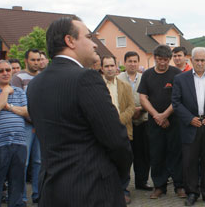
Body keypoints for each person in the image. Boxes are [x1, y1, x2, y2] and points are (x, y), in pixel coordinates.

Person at [26, 17, 132, 206]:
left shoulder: (35, 84)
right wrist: (120, 173)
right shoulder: (86, 78)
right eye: (89, 37)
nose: (94, 45)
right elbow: (116, 139)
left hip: (51, 190)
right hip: (91, 189)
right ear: (70, 41)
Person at [172, 47, 205, 206]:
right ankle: (192, 193)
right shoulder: (180, 79)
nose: (200, 63)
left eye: (203, 60)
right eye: (197, 60)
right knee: (189, 162)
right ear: (191, 60)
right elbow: (176, 102)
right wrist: (189, 118)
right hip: (190, 126)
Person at [137, 45, 185, 199]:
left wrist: (165, 115)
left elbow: (178, 98)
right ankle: (159, 186)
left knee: (176, 153)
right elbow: (143, 98)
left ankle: (180, 186)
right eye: (159, 59)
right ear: (155, 58)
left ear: (169, 59)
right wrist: (157, 115)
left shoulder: (177, 74)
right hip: (154, 122)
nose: (162, 63)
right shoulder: (147, 75)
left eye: (165, 60)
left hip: (174, 121)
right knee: (156, 155)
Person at [0, 60, 28, 207]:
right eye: (1, 71)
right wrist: (6, 91)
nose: (5, 73)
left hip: (19, 142)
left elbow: (27, 112)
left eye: (8, 70)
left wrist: (8, 106)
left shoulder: (20, 91)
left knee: (17, 182)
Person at [101, 55, 135, 204]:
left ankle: (123, 190)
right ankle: (106, 191)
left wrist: (118, 121)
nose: (109, 69)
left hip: (122, 130)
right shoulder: (97, 86)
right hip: (102, 131)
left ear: (117, 67)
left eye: (112, 66)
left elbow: (131, 107)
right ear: (101, 68)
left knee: (124, 162)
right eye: (106, 66)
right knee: (105, 162)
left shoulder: (125, 86)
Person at [118, 51, 153, 191]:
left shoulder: (145, 78)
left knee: (143, 155)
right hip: (125, 123)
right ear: (124, 62)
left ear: (139, 63)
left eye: (135, 61)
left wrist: (141, 110)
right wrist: (131, 113)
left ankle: (142, 181)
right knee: (126, 155)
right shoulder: (118, 78)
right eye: (130, 61)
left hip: (143, 121)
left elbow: (150, 98)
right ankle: (124, 185)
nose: (132, 64)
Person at [10, 49, 42, 203]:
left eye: (38, 59)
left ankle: (37, 194)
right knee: (23, 162)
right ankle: (21, 197)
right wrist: (34, 121)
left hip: (40, 126)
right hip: (25, 126)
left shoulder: (43, 77)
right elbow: (16, 103)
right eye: (33, 60)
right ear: (26, 61)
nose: (36, 63)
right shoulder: (17, 78)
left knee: (39, 161)